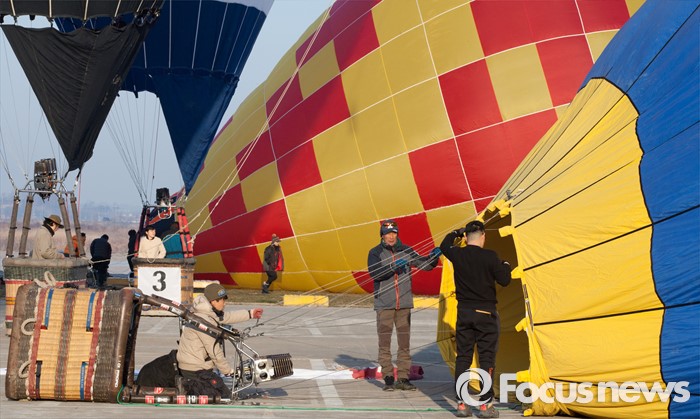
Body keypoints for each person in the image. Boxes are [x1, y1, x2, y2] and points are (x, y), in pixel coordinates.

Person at [440, 221, 512, 418]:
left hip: (464, 313)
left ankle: (461, 404)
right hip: (486, 314)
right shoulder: (490, 256)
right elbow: (505, 280)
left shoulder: (457, 254)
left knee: (463, 357)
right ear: (483, 236)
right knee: (486, 358)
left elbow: (444, 245)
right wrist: (506, 265)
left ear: (465, 238)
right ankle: (485, 405)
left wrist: (456, 232)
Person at [367, 219, 441, 391]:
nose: (391, 237)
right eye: (387, 234)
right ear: (382, 236)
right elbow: (375, 273)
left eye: (393, 233)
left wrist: (434, 258)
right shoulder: (375, 252)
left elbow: (425, 265)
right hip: (384, 305)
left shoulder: (406, 250)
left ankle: (403, 378)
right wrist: (393, 267)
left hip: (404, 305)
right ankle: (388, 378)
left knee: (404, 344)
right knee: (384, 344)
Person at [177, 283, 263, 397]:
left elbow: (227, 317)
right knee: (223, 395)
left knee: (221, 389)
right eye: (222, 300)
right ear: (213, 301)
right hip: (194, 369)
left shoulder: (207, 313)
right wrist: (228, 371)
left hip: (196, 365)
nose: (224, 303)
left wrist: (250, 314)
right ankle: (185, 385)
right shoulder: (203, 321)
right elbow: (214, 350)